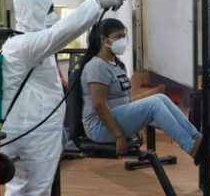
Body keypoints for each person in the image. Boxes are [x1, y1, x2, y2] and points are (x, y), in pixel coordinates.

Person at [0, 0, 127, 196]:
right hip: (30, 131)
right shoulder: (24, 44)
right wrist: (98, 4)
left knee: (29, 192)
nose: (52, 16)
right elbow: (62, 32)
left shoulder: (28, 44)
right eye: (48, 10)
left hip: (35, 129)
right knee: (28, 195)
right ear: (34, 10)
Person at [80, 18, 203, 160]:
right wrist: (119, 136)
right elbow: (99, 105)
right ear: (103, 39)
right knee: (154, 104)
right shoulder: (97, 66)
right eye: (117, 37)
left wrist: (135, 123)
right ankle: (190, 146)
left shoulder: (116, 64)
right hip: (100, 127)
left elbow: (124, 99)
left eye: (123, 36)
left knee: (161, 98)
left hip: (116, 119)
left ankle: (197, 137)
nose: (122, 40)